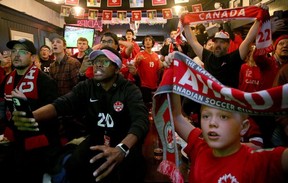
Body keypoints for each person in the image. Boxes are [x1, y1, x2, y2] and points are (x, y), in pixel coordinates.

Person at [12, 46, 149, 183]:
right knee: (74, 165)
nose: (98, 65)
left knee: (130, 172)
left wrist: (122, 148)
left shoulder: (129, 89)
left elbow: (141, 120)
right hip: (96, 138)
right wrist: (31, 116)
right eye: (96, 61)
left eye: (105, 61)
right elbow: (61, 104)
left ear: (117, 68)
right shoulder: (87, 86)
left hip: (123, 142)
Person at [170, 93, 288, 182]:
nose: (212, 123)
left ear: (244, 127)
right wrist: (173, 70)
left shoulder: (256, 162)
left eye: (224, 117)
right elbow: (176, 117)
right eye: (206, 116)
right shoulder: (199, 146)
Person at [0, 38, 61, 183]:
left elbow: (54, 116)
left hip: (37, 145)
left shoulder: (45, 81)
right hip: (13, 141)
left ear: (33, 57)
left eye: (22, 51)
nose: (16, 55)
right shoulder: (8, 79)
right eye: (13, 51)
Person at [134, 35, 165, 108]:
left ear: (152, 43)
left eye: (149, 40)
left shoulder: (156, 56)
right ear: (144, 43)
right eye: (146, 40)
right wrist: (137, 62)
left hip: (155, 85)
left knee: (154, 106)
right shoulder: (140, 54)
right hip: (143, 85)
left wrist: (164, 65)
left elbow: (159, 69)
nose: (148, 41)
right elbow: (134, 68)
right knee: (145, 106)